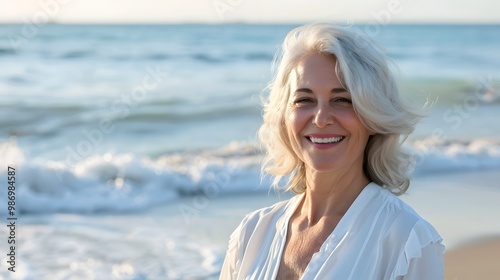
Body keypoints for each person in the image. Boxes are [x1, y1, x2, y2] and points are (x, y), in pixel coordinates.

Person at [220, 23, 444, 280]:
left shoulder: (407, 241)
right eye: (304, 99)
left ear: (373, 117)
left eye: (343, 100)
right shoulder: (251, 234)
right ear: (284, 116)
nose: (321, 118)